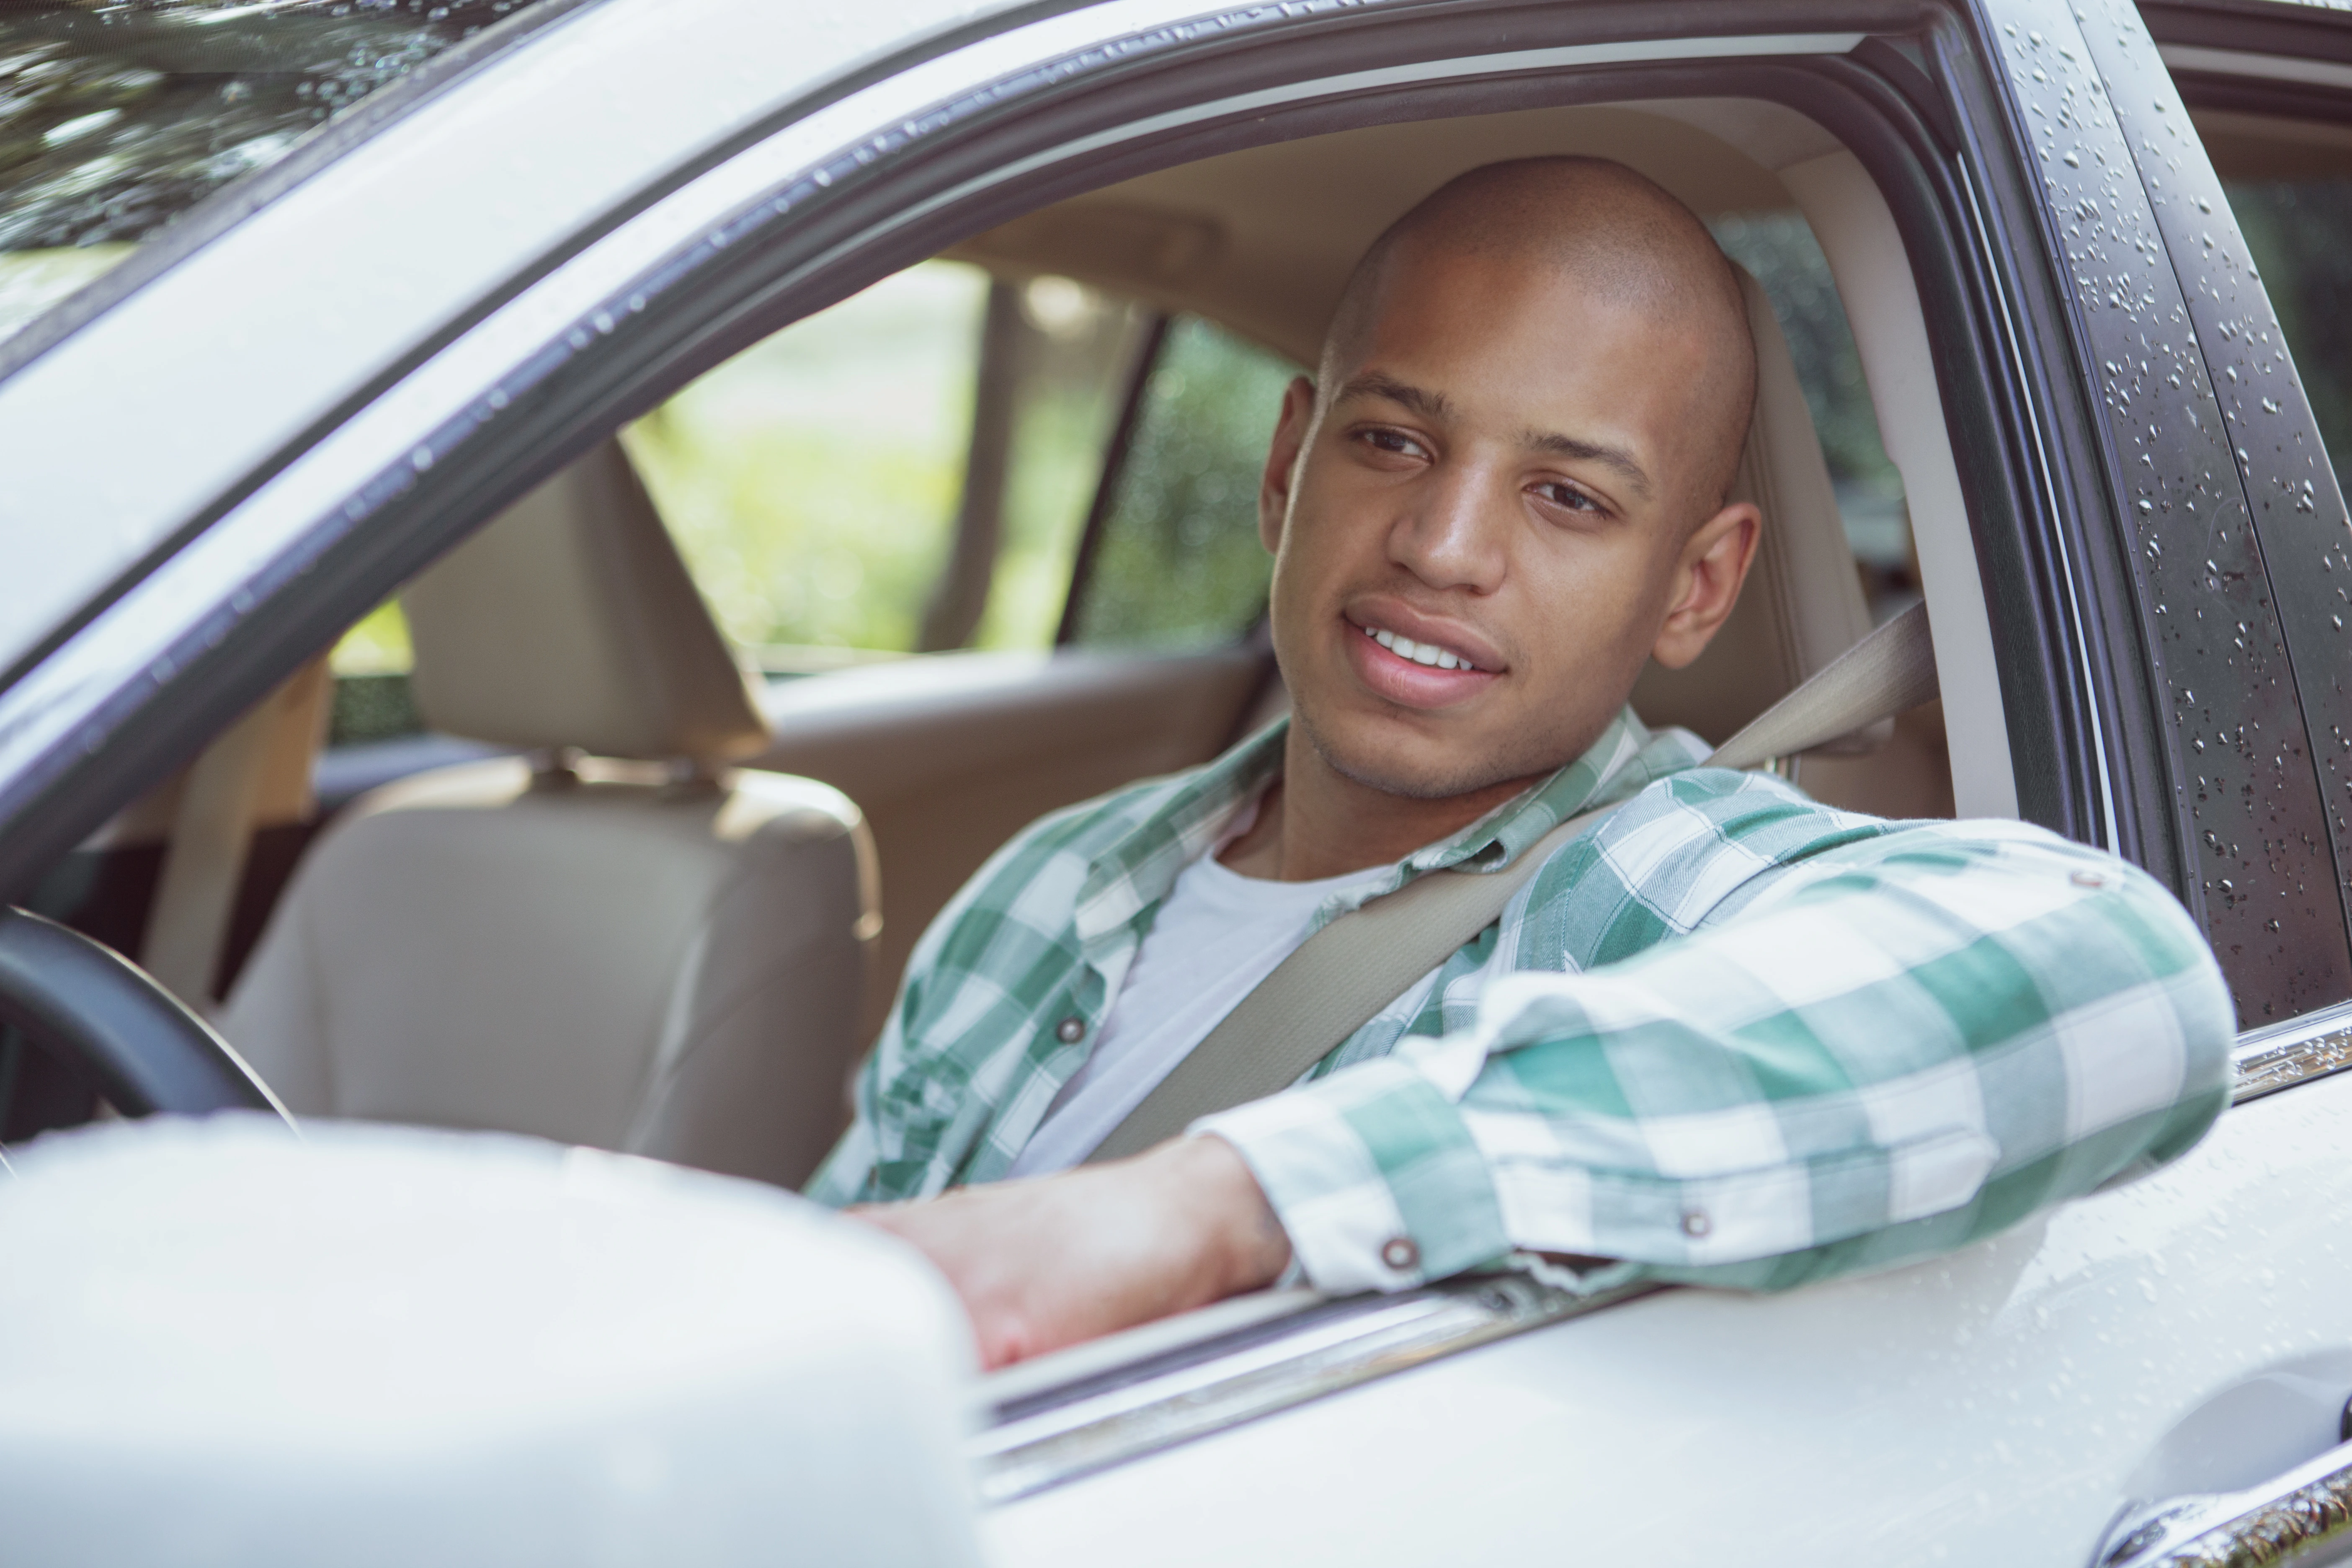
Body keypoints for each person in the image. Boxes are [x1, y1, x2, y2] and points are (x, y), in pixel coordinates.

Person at [807, 157, 2233, 1369]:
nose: (1443, 545)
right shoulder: (1055, 884)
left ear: (1695, 587)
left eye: (1567, 495)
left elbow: (2116, 977)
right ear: (1285, 466)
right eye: (1392, 439)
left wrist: (1224, 1203)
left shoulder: (1645, 892)